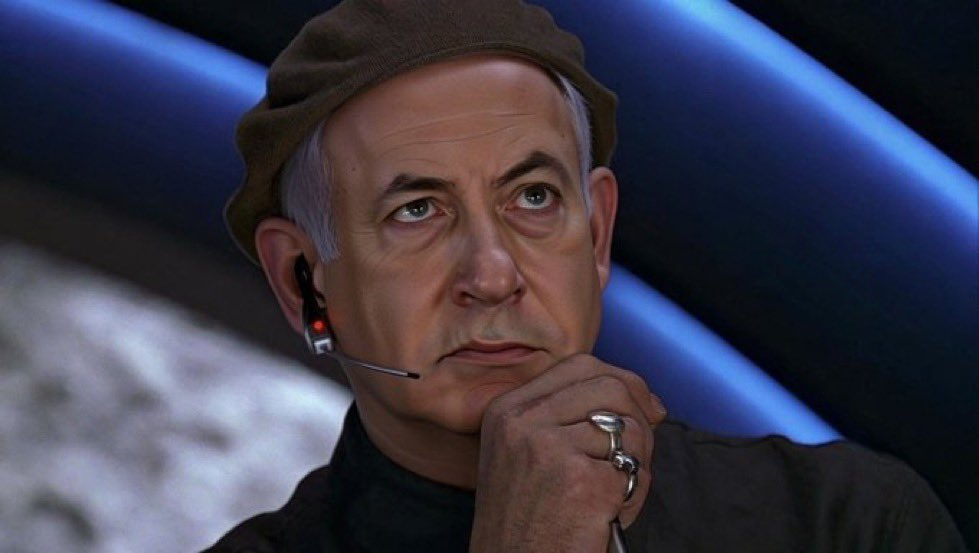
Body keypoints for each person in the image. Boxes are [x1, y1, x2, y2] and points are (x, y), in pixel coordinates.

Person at [205, 1, 967, 551]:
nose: (492, 275)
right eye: (417, 211)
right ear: (303, 280)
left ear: (596, 233)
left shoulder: (842, 523)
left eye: (533, 198)